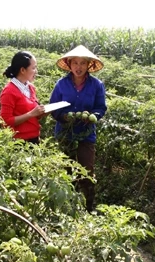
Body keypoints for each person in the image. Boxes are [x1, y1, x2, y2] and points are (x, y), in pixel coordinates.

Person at [49, 45, 107, 212]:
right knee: (66, 170)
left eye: (82, 63)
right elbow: (54, 107)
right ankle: (67, 205)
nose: (78, 67)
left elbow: (101, 107)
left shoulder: (96, 85)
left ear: (89, 65)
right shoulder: (61, 84)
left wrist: (93, 115)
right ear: (69, 64)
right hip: (65, 133)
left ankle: (89, 207)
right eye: (75, 63)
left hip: (86, 135)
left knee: (86, 171)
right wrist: (64, 116)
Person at [0, 51, 46, 144]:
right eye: (33, 68)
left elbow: (31, 114)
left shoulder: (30, 87)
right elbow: (6, 121)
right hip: (19, 142)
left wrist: (40, 113)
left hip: (34, 138)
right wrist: (31, 114)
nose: (36, 71)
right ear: (22, 70)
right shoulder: (9, 91)